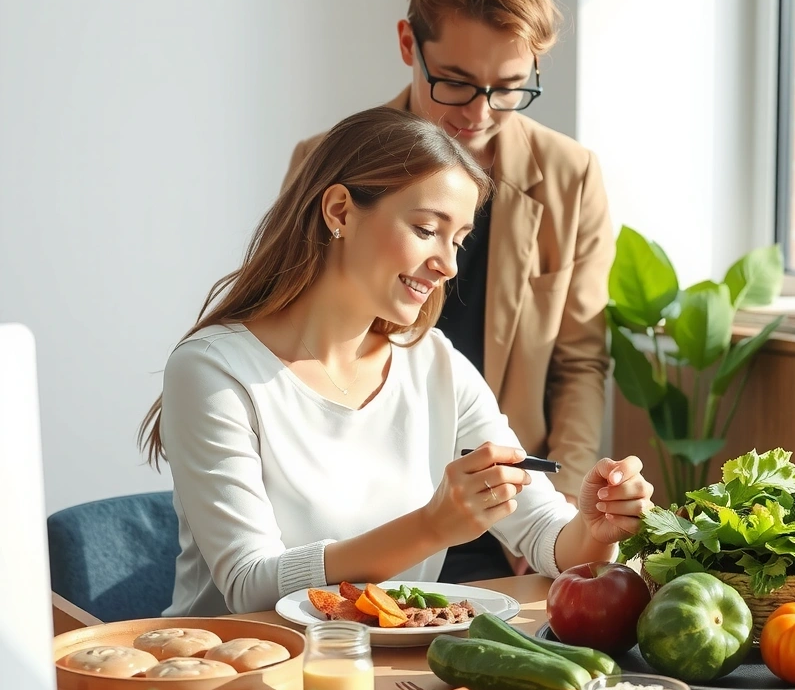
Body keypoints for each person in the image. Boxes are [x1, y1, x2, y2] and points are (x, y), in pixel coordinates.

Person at [140, 107, 651, 617]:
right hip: (242, 660)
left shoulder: (435, 364)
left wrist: (595, 528)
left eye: (459, 241)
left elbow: (544, 533)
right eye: (427, 229)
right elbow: (249, 585)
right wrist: (431, 526)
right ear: (340, 211)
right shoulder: (214, 371)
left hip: (387, 661)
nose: (448, 265)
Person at [281, 0, 615, 582]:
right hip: (361, 524)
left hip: (511, 516)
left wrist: (562, 511)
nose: (479, 114)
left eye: (509, 87)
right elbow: (289, 333)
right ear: (410, 44)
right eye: (456, 82)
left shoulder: (570, 176)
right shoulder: (327, 164)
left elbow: (579, 362)